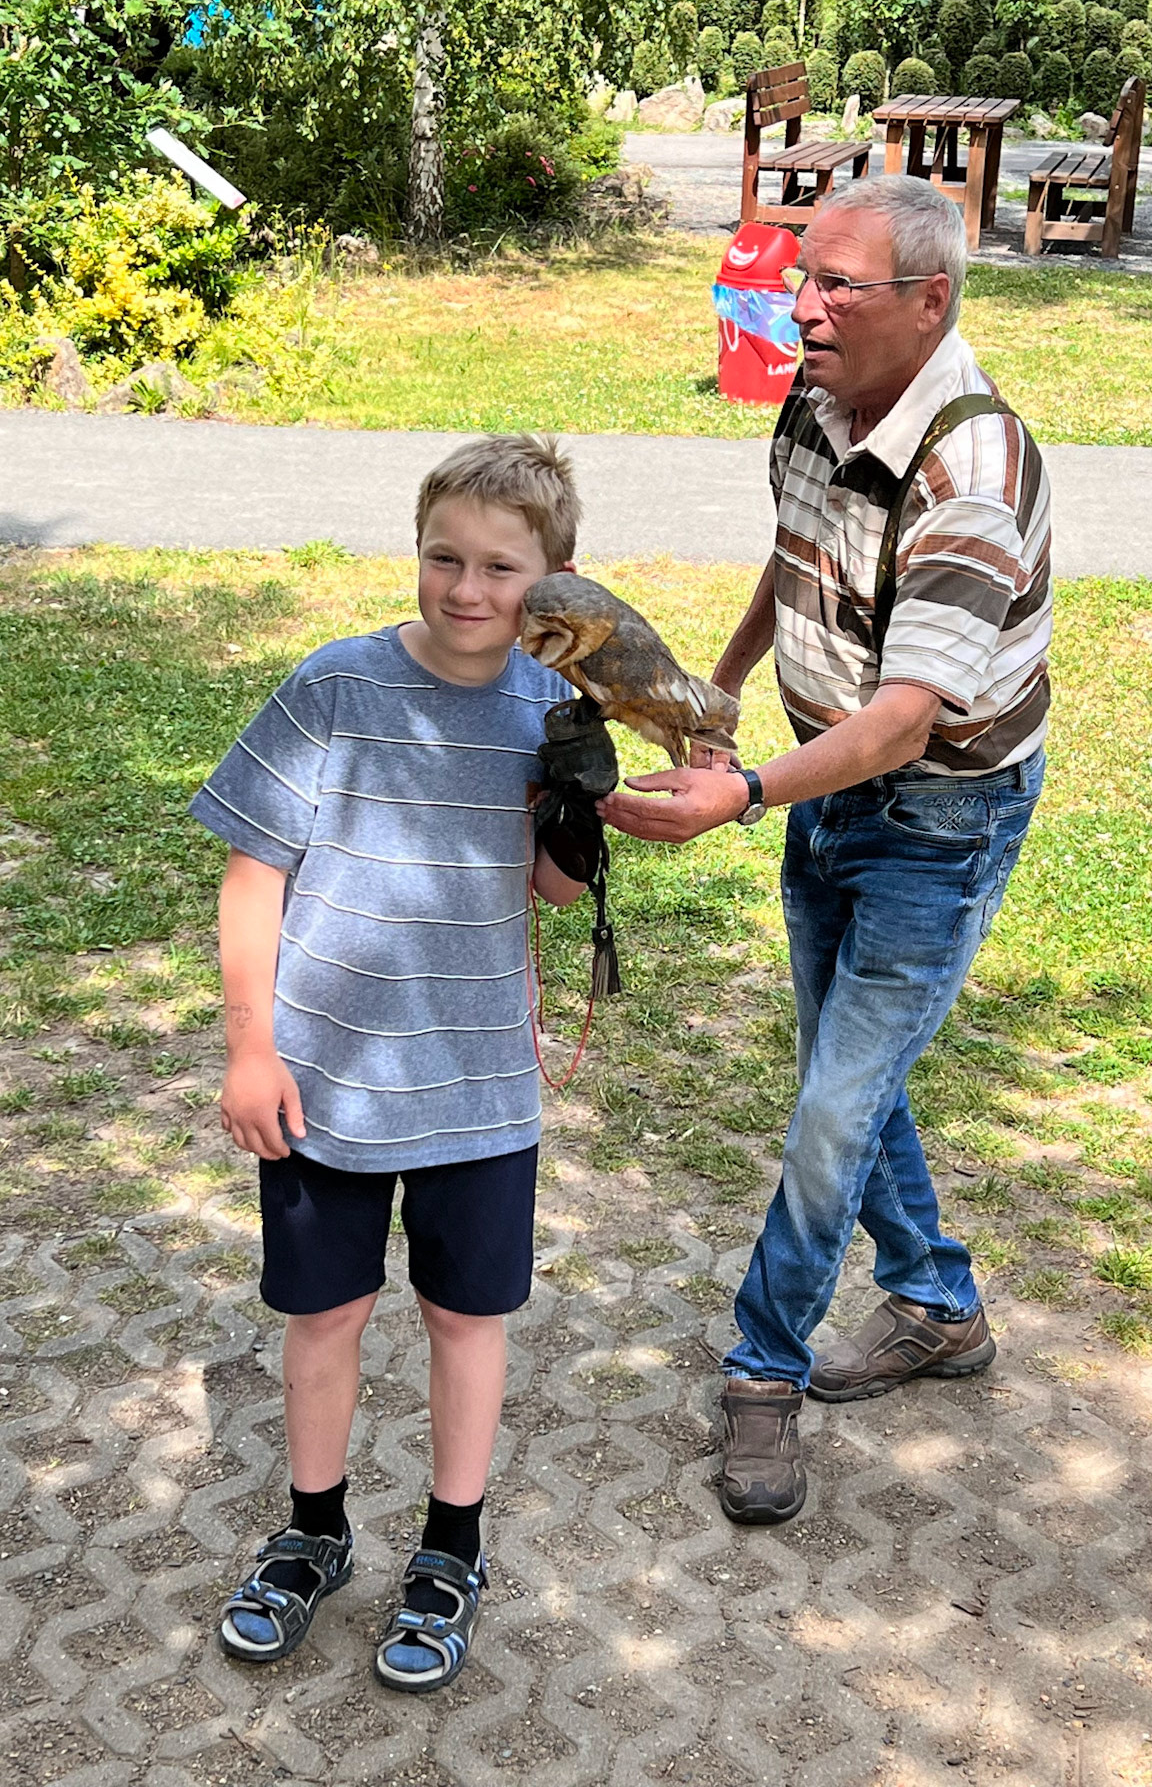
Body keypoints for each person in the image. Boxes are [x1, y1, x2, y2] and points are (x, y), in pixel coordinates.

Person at [600, 177, 1051, 1526]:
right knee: (846, 1086)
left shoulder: (974, 473)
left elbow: (907, 719)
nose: (801, 308)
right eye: (802, 277)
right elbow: (795, 549)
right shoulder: (816, 397)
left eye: (835, 285)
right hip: (828, 788)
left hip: (937, 820)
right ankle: (938, 1305)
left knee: (835, 1110)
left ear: (931, 300)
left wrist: (742, 793)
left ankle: (762, 1371)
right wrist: (729, 680)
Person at [189, 434, 586, 1690]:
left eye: (501, 569)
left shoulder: (551, 705)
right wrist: (251, 1047)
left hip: (477, 1087)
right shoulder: (333, 687)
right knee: (327, 1313)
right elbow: (252, 875)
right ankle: (313, 1531)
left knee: (467, 1317)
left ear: (552, 581)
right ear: (416, 551)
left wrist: (582, 798)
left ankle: (451, 1548)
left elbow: (554, 887)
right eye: (443, 557)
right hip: (326, 1081)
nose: (468, 588)